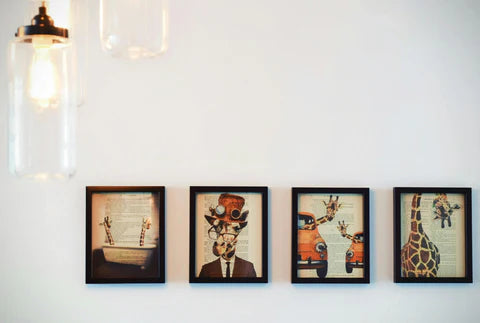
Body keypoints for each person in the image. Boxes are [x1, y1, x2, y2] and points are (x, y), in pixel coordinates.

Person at [199, 193, 256, 278]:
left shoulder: (248, 268)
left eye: (232, 228)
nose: (225, 236)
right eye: (219, 227)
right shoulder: (206, 270)